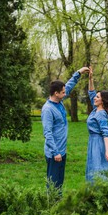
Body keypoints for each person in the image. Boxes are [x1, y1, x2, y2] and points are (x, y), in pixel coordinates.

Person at [42, 67, 90, 195]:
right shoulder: (48, 109)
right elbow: (47, 133)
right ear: (56, 93)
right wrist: (55, 152)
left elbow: (68, 86)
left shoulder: (59, 100)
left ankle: (57, 203)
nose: (65, 93)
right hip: (54, 153)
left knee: (59, 182)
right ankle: (51, 206)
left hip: (61, 150)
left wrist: (78, 73)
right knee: (53, 182)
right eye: (63, 92)